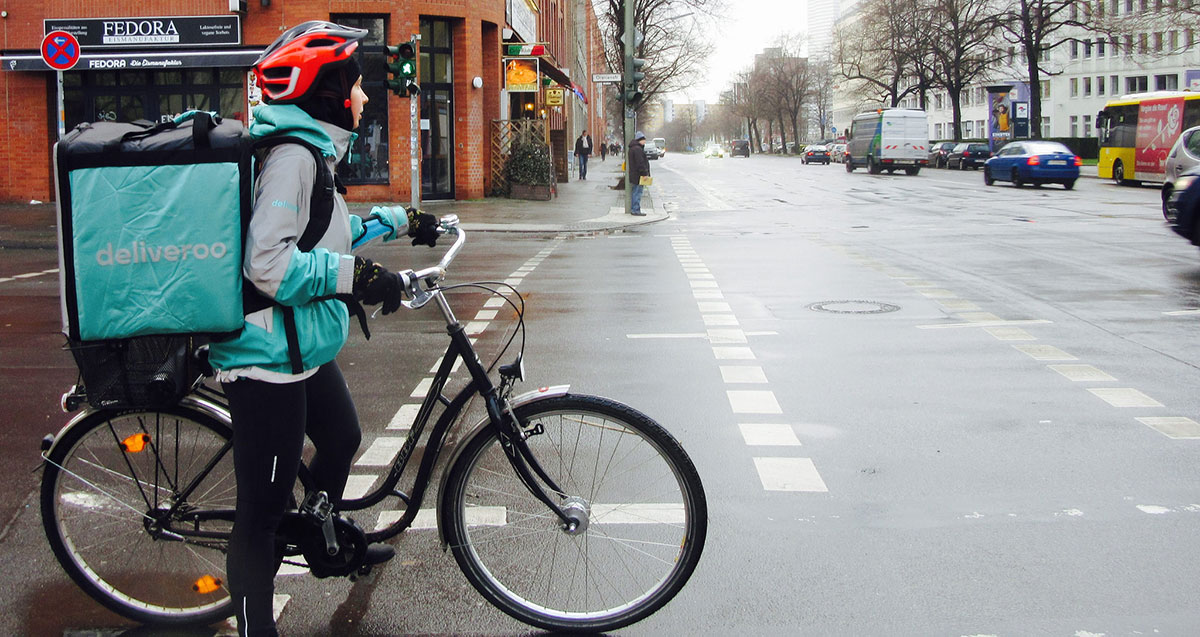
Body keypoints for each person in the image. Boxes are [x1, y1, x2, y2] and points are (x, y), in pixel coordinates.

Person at [207, 21, 440, 637]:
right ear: (326, 91)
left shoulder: (312, 153)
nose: (364, 96)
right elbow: (269, 264)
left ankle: (319, 536)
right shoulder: (291, 159)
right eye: (357, 84)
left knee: (341, 439)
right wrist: (357, 278)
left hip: (301, 346)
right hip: (264, 358)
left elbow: (324, 235)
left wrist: (403, 222)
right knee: (261, 515)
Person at [628, 131, 650, 216]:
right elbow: (640, 163)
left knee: (636, 192)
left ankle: (635, 209)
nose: (644, 142)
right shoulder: (637, 149)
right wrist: (644, 174)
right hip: (638, 175)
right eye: (643, 140)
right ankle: (635, 210)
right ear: (639, 140)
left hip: (635, 174)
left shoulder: (633, 148)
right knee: (637, 192)